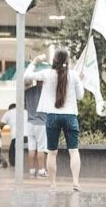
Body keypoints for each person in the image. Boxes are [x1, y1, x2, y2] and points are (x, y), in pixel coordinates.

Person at [24, 49, 84, 191]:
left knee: (52, 152)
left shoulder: (46, 73)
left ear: (54, 60)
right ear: (67, 60)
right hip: (70, 116)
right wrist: (80, 82)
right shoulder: (74, 75)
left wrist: (35, 61)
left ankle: (52, 184)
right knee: (74, 151)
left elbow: (26, 76)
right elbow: (80, 96)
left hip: (52, 116)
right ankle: (75, 182)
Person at [25, 80, 48, 179]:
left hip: (30, 122)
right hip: (41, 123)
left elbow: (25, 106)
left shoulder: (28, 91)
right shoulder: (46, 91)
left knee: (31, 148)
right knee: (41, 148)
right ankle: (42, 171)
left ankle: (31, 171)